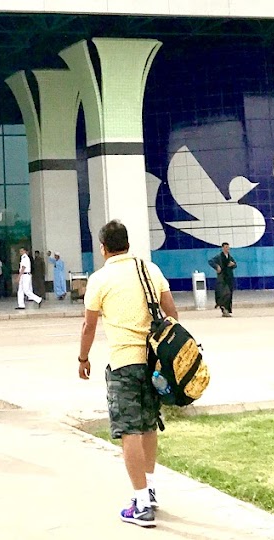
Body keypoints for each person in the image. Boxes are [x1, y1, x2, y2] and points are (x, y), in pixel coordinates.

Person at [78, 219, 177, 529]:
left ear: (104, 248)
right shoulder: (150, 270)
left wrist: (83, 358)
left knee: (129, 431)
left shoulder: (100, 279)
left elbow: (89, 325)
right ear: (128, 244)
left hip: (124, 364)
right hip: (153, 363)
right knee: (148, 425)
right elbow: (172, 314)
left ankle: (142, 504)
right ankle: (149, 489)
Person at [208, 242, 237, 317]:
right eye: (226, 247)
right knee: (225, 294)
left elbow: (235, 264)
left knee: (229, 294)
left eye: (228, 247)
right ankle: (224, 309)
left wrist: (233, 264)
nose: (228, 249)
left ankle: (226, 309)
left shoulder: (230, 257)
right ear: (223, 248)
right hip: (222, 278)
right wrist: (217, 266)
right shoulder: (219, 257)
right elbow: (210, 261)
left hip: (229, 277)